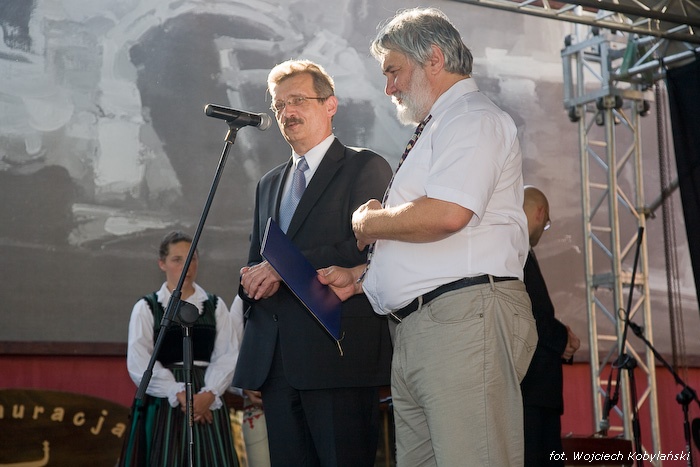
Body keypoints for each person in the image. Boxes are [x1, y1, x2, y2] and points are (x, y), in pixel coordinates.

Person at [317, 7, 538, 466]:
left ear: (434, 59)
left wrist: (368, 223)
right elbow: (443, 244)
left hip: (461, 323)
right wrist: (360, 278)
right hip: (430, 328)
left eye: (393, 71)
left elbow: (448, 214)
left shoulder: (471, 117)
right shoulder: (445, 123)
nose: (389, 87)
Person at [233, 59, 393, 466]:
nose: (287, 112)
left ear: (330, 105)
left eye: (298, 100)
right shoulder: (269, 183)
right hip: (276, 363)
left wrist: (282, 268)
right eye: (279, 105)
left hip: (337, 356)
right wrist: (251, 280)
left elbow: (363, 249)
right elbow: (258, 257)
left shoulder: (365, 166)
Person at [120, 231, 239, 467]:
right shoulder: (147, 307)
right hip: (165, 401)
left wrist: (209, 394)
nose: (186, 267)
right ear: (162, 263)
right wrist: (178, 394)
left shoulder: (215, 306)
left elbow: (228, 355)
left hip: (207, 394)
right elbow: (139, 360)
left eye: (192, 259)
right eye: (177, 260)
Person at [521, 186, 581, 467]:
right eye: (546, 224)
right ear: (540, 212)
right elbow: (531, 315)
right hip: (530, 390)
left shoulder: (520, 252)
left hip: (537, 391)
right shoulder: (515, 253)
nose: (544, 231)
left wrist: (562, 342)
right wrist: (563, 339)